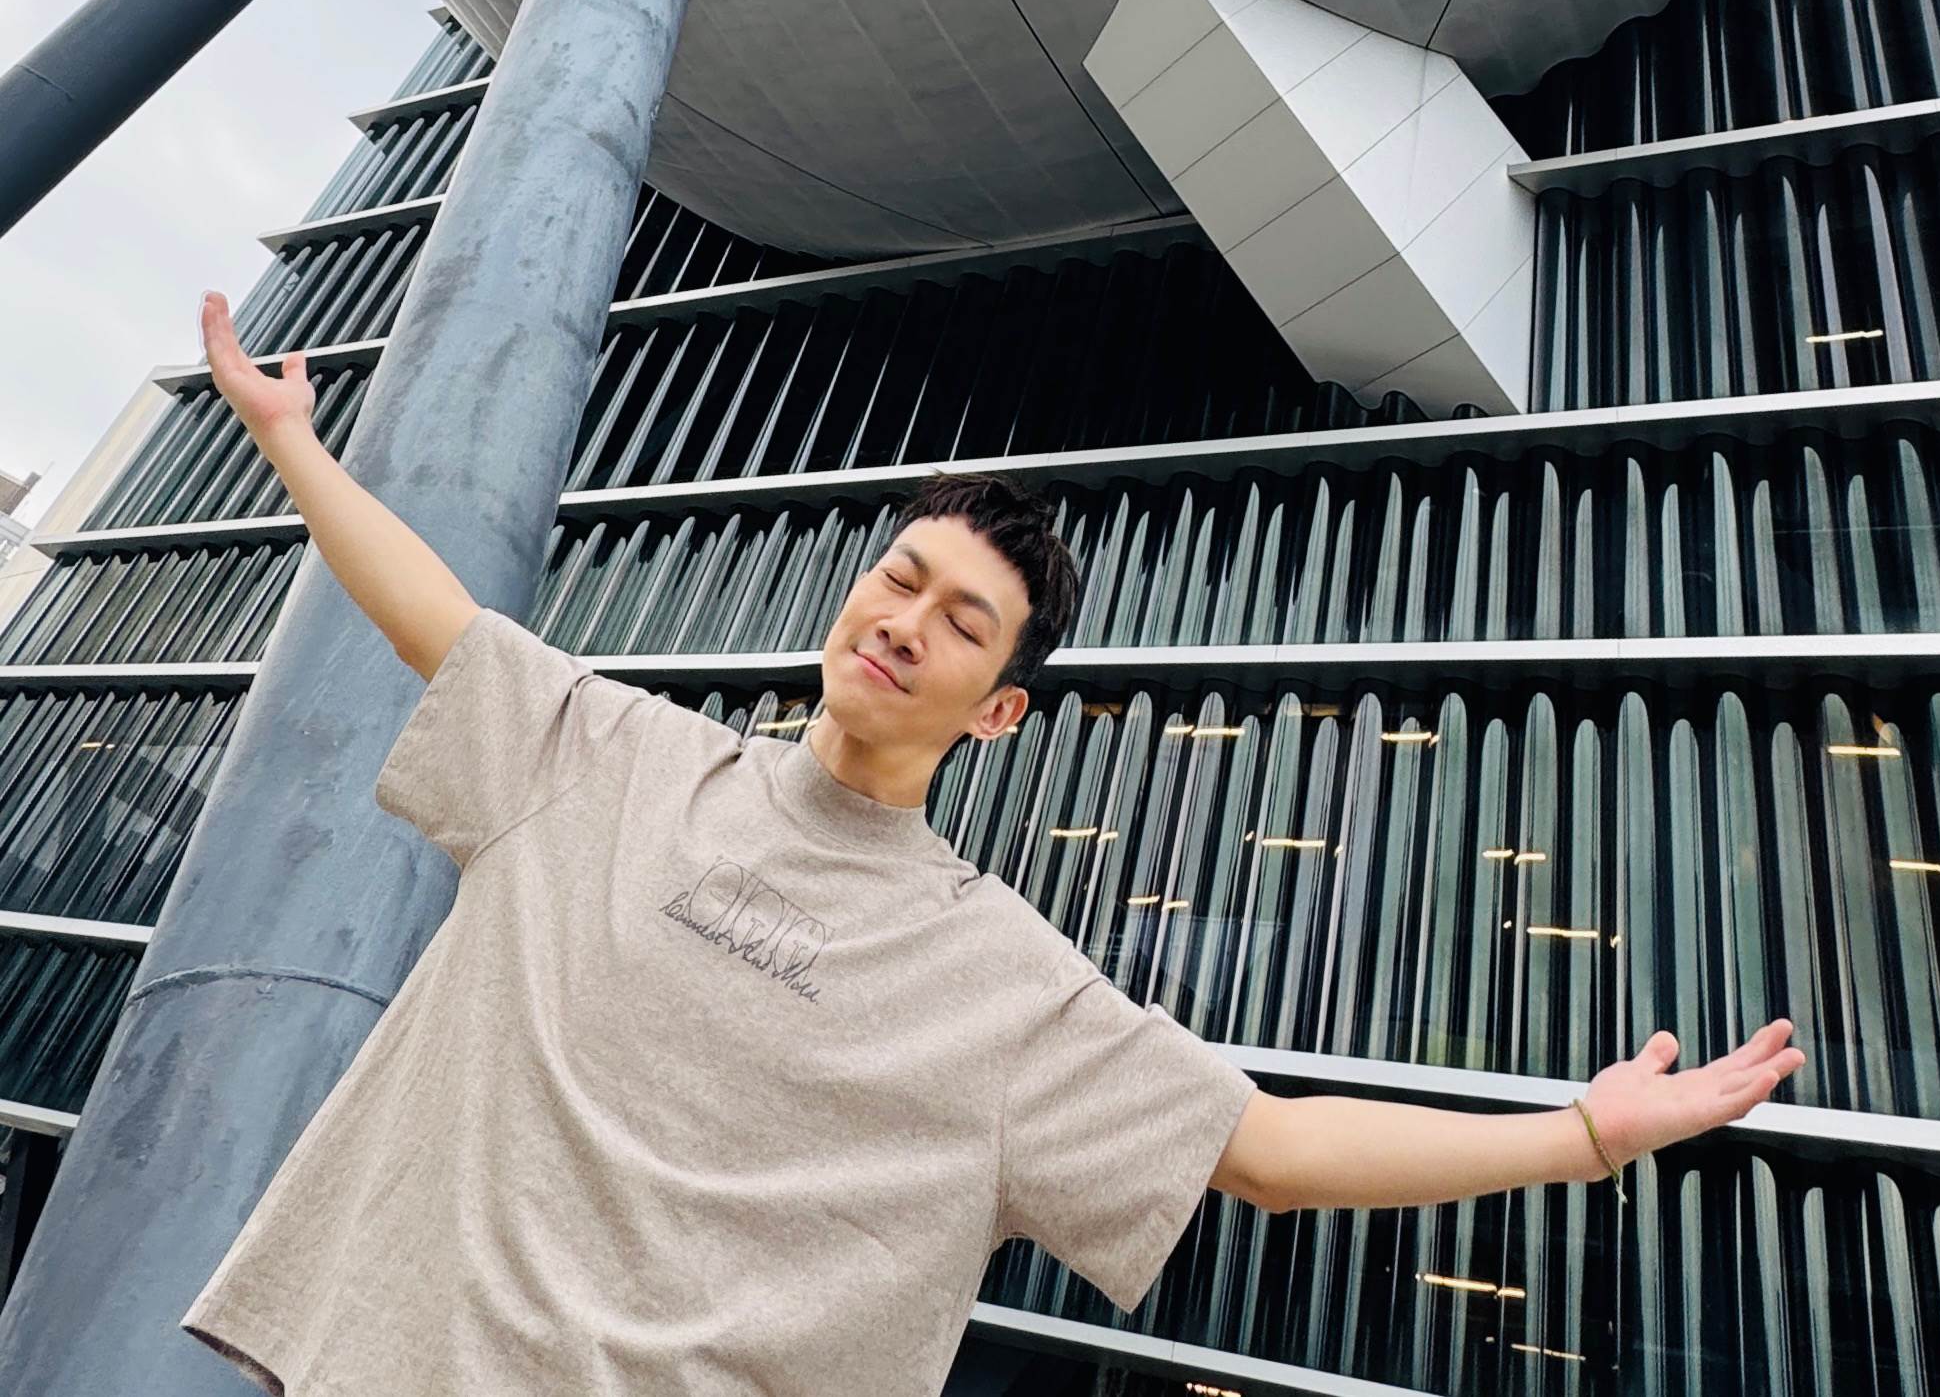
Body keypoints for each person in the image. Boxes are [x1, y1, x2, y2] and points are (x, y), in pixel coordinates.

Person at [180, 290, 1803, 1395]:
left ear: (999, 711)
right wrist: (299, 448)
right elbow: (439, 621)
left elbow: (1267, 1151)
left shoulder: (999, 977)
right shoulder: (612, 756)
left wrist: (1582, 1132)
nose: (905, 621)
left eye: (965, 623)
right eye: (898, 576)